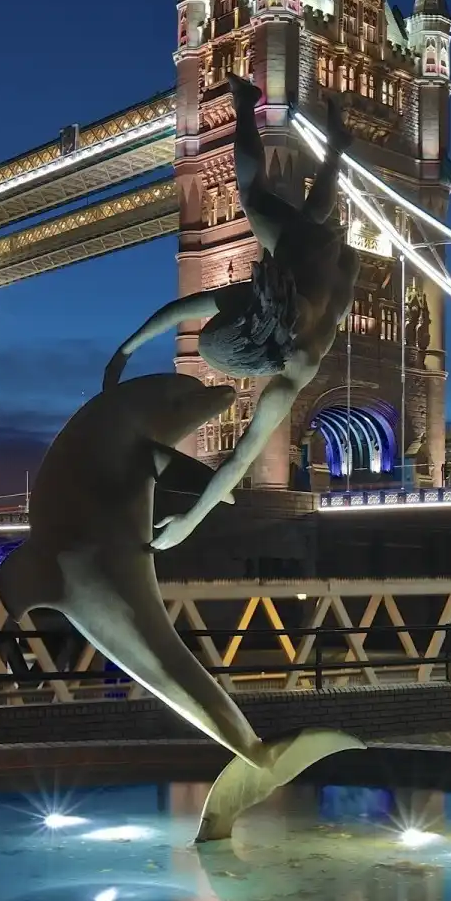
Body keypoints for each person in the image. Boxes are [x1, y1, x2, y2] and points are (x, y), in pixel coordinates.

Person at [105, 75, 355, 551]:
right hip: (311, 255)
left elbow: (239, 459)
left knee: (297, 217)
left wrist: (190, 522)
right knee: (256, 195)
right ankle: (248, 104)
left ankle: (333, 143)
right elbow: (180, 310)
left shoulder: (297, 363)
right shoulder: (259, 307)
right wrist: (126, 349)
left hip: (339, 267)